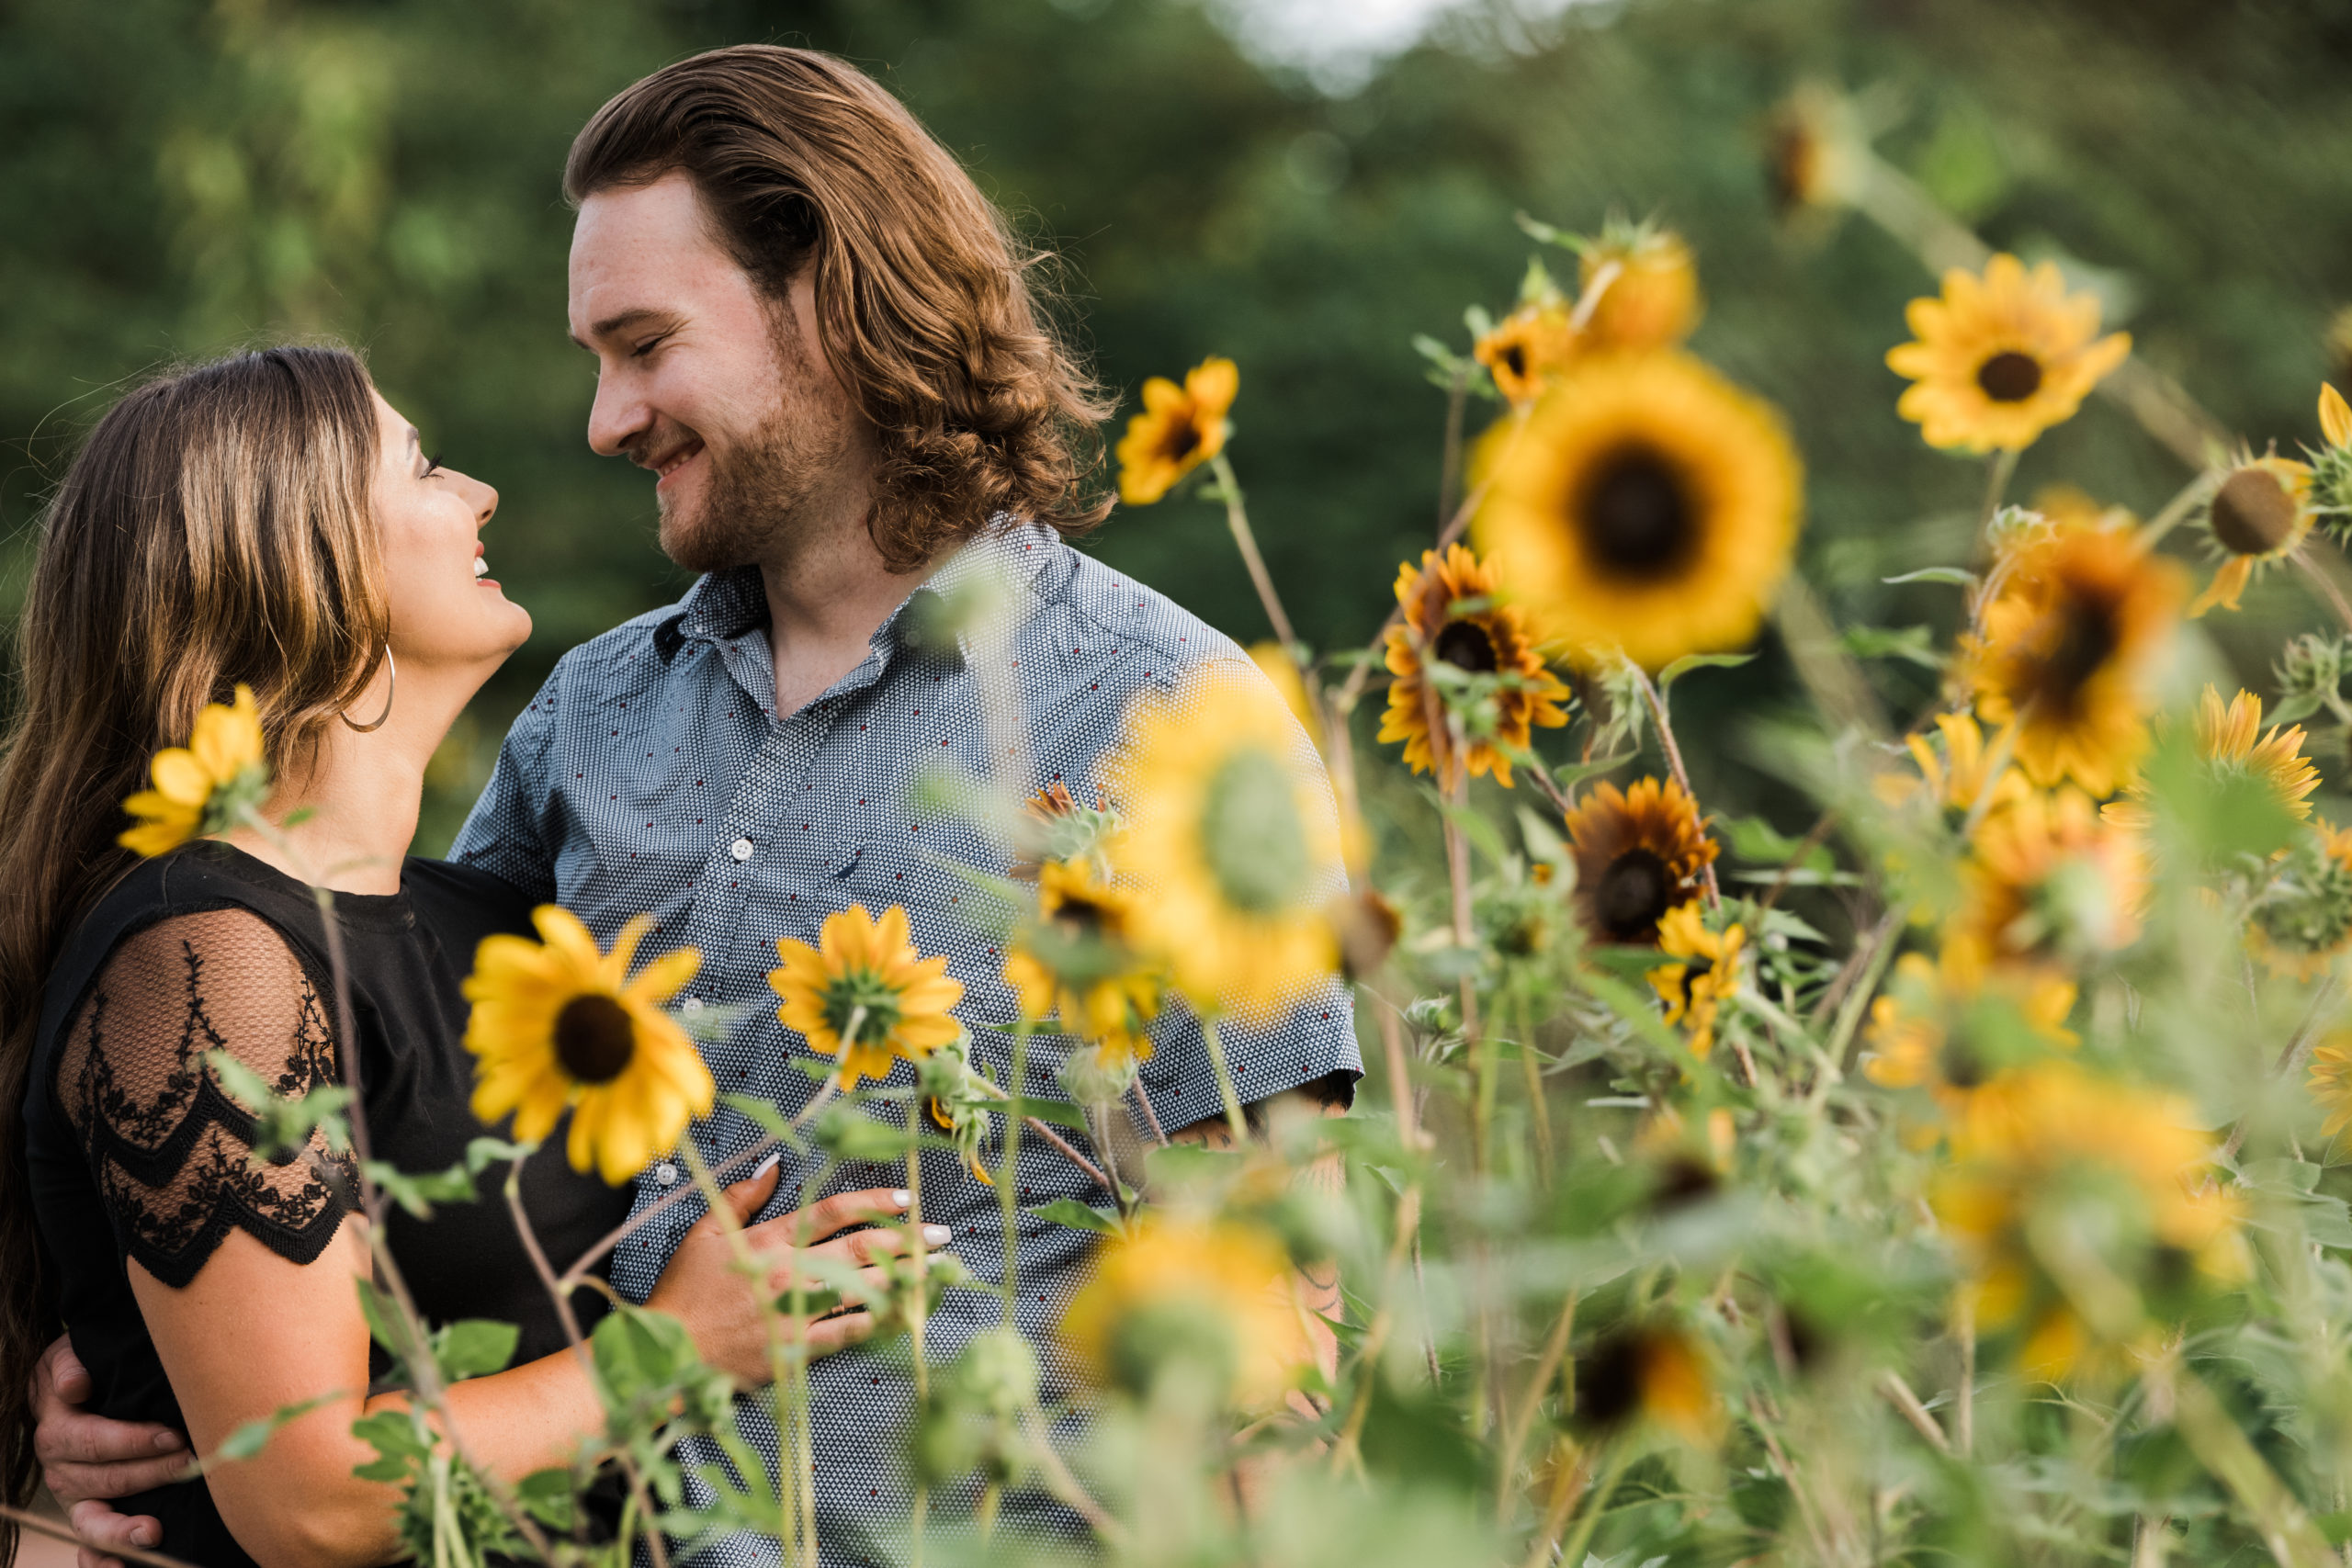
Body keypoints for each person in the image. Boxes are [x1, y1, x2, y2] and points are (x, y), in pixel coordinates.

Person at [38, 44, 1362, 1568]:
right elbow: (391, 1140)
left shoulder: (1169, 721)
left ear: (826, 295)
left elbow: (1280, 1330)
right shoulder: (588, 718)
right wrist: (122, 1380)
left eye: (645, 344)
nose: (607, 420)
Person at [0, 347, 946, 1568]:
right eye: (422, 466)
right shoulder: (205, 958)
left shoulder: (488, 923)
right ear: (302, 558)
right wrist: (677, 1348)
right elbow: (311, 1499)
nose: (480, 494)